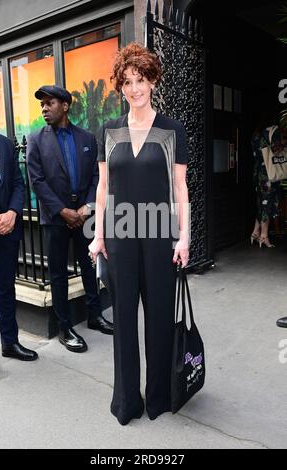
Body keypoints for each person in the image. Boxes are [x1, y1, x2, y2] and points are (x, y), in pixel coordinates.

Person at [88, 43, 189, 425]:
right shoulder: (109, 130)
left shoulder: (172, 130)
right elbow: (102, 188)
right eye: (128, 82)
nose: (135, 88)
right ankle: (127, 401)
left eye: (141, 79)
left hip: (161, 233)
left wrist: (184, 237)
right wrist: (98, 235)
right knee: (124, 322)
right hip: (119, 236)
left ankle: (159, 396)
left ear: (153, 81)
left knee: (160, 319)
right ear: (120, 87)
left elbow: (180, 188)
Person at [27, 85, 113, 354]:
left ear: (65, 106)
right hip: (55, 219)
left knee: (89, 267)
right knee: (58, 275)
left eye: (49, 103)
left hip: (84, 214)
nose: (44, 109)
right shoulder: (36, 139)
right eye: (42, 105)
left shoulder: (87, 138)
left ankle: (94, 315)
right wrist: (63, 211)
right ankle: (64, 327)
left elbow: (96, 177)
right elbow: (37, 181)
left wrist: (87, 207)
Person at [0, 93, 38, 361]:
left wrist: (12, 212)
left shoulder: (6, 144)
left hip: (7, 232)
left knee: (6, 289)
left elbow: (19, 183)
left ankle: (10, 343)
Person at [250, 117, 282, 248]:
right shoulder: (274, 131)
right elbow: (276, 150)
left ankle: (255, 233)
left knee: (262, 203)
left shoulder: (256, 134)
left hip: (258, 173)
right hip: (269, 174)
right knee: (268, 204)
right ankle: (264, 236)